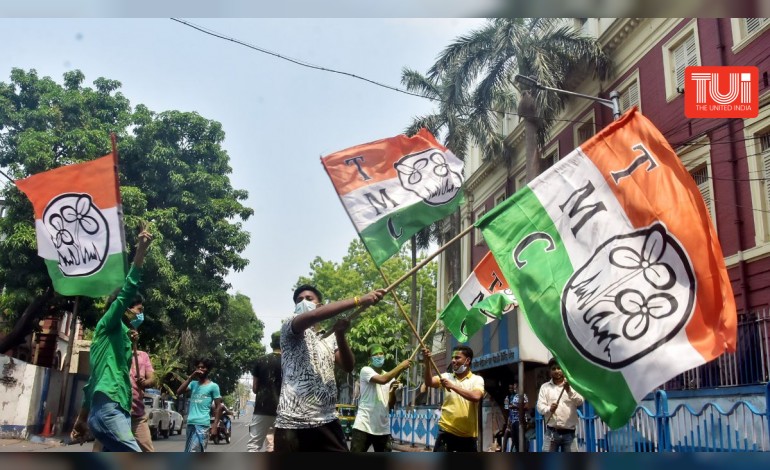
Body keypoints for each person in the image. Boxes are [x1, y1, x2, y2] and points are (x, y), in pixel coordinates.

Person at [273, 284, 386, 452]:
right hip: (292, 422)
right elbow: (314, 316)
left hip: (327, 421)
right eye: (299, 300)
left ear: (319, 304)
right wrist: (359, 300)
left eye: (309, 299)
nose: (303, 302)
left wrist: (340, 335)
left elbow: (348, 366)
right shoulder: (290, 327)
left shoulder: (329, 338)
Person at [70, 228, 153, 452]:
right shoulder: (108, 323)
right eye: (138, 309)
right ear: (124, 308)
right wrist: (141, 252)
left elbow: (92, 384)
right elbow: (128, 290)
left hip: (112, 411)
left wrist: (81, 419)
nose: (140, 314)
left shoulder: (120, 339)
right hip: (110, 409)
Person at [92, 329, 156, 452]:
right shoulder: (112, 354)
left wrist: (145, 382)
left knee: (147, 450)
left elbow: (152, 379)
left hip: (136, 416)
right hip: (112, 414)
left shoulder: (142, 356)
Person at [350, 343, 411, 452]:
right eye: (375, 354)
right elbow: (383, 380)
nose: (379, 356)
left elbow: (391, 405)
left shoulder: (389, 378)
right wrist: (401, 366)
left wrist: (392, 391)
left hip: (383, 428)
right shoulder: (365, 370)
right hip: (364, 426)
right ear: (370, 358)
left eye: (381, 354)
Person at [423, 345, 485, 452]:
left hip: (468, 438)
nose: (453, 361)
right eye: (452, 358)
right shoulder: (446, 377)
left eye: (457, 358)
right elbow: (429, 382)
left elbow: (476, 396)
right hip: (446, 433)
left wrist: (452, 386)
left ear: (467, 360)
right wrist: (427, 362)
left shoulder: (477, 379)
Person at [536, 357, 584, 452]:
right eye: (553, 369)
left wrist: (569, 391)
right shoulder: (545, 387)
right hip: (551, 433)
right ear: (550, 371)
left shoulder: (572, 385)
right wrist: (549, 409)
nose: (557, 371)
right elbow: (540, 407)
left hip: (570, 434)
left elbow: (580, 401)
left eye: (559, 368)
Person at [177, 357, 222, 452]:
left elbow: (218, 407)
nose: (200, 369)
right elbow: (179, 391)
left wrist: (214, 426)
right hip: (190, 423)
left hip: (202, 424)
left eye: (203, 367)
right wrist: (190, 377)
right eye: (198, 367)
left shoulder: (213, 386)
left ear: (208, 369)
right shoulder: (193, 384)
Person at [248, 330, 282, 452]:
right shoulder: (289, 362)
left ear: (272, 344)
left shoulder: (260, 361)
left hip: (262, 410)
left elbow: (255, 388)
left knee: (254, 445)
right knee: (278, 446)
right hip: (283, 411)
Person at [504, 382, 529, 452]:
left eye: (515, 387)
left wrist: (515, 407)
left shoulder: (523, 395)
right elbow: (508, 409)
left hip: (520, 421)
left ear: (518, 387)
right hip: (513, 421)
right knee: (514, 440)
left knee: (520, 439)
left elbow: (527, 407)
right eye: (514, 387)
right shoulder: (514, 396)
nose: (514, 389)